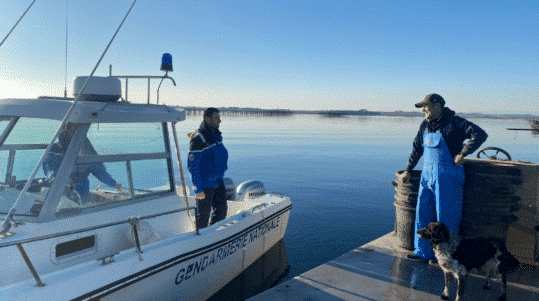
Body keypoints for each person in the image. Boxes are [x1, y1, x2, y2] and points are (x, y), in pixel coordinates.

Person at [400, 94, 488, 263]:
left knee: (446, 216)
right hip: (427, 176)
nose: (424, 110)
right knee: (423, 213)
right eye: (422, 107)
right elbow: (417, 148)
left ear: (438, 105)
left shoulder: (455, 122)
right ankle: (423, 252)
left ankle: (446, 256)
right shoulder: (425, 126)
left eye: (426, 106)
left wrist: (463, 153)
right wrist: (408, 170)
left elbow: (479, 134)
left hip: (448, 177)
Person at [43, 123, 121, 201]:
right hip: (62, 197)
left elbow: (98, 170)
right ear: (66, 128)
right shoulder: (56, 149)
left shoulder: (86, 147)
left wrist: (113, 184)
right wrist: (54, 178)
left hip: (82, 195)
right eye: (72, 127)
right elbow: (50, 168)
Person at [187, 108, 228, 229]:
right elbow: (192, 167)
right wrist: (198, 189)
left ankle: (212, 233)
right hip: (205, 184)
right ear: (207, 119)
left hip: (217, 180)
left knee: (221, 210)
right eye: (216, 118)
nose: (219, 120)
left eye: (219, 117)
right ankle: (199, 240)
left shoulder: (215, 135)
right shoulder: (198, 138)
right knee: (202, 216)